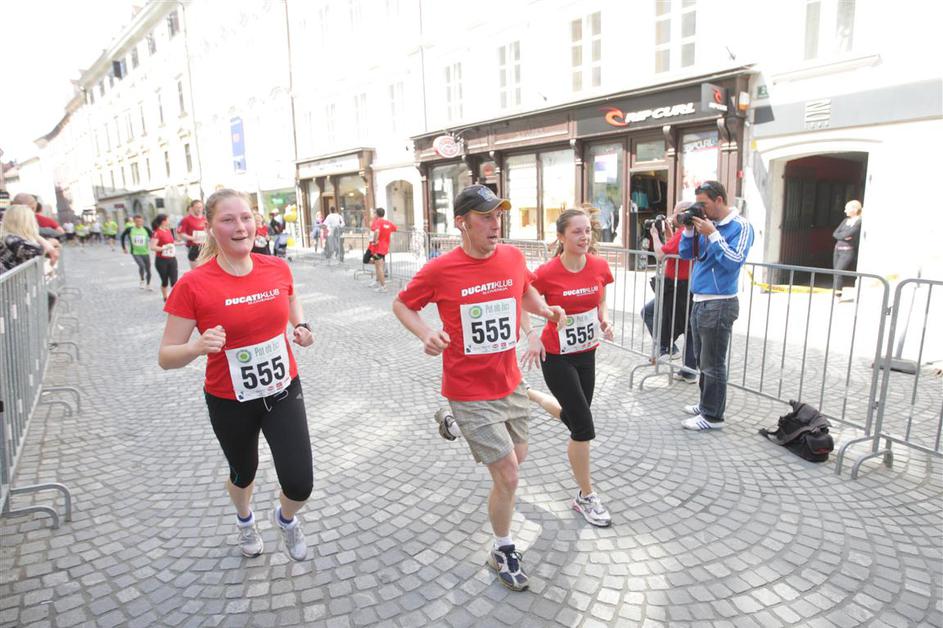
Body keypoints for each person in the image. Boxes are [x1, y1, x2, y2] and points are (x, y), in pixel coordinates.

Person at [393, 184, 565, 592]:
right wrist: (426, 333)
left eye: (498, 215)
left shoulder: (512, 257)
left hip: (509, 382)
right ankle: (503, 548)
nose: (495, 224)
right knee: (509, 475)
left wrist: (543, 309)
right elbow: (402, 304)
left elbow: (523, 289)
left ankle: (455, 425)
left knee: (518, 458)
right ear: (462, 223)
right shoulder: (440, 269)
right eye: (485, 217)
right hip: (468, 388)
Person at [157, 188, 315, 561]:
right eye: (228, 220)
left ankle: (285, 519)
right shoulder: (194, 284)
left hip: (282, 389)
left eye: (246, 217)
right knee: (244, 472)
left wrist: (300, 325)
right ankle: (245, 518)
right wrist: (196, 347)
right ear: (211, 228)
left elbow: (290, 296)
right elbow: (166, 356)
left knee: (300, 483)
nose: (241, 227)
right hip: (230, 400)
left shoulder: (276, 267)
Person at [521, 208, 615, 527]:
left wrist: (604, 320)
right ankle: (586, 496)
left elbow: (600, 299)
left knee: (574, 417)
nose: (584, 236)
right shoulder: (546, 273)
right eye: (576, 231)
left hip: (587, 353)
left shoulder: (599, 266)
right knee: (583, 427)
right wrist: (532, 335)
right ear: (561, 237)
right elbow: (522, 300)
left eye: (587, 230)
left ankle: (530, 394)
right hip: (557, 356)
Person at [678, 181, 754, 431]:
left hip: (720, 303)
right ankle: (706, 404)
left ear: (719, 200)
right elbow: (686, 255)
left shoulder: (741, 226)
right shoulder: (707, 223)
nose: (701, 208)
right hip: (700, 300)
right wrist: (689, 231)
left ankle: (713, 416)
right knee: (703, 360)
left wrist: (713, 234)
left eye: (704, 203)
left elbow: (734, 261)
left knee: (713, 363)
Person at [644, 202, 698, 383]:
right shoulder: (687, 233)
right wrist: (668, 233)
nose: (672, 216)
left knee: (651, 313)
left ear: (684, 214)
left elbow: (661, 254)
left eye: (675, 212)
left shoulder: (684, 233)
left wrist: (654, 235)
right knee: (689, 327)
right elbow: (673, 248)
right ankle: (688, 370)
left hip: (678, 286)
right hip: (684, 285)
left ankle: (667, 348)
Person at [0, 205, 59, 273]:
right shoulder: (10, 239)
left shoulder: (9, 237)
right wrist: (51, 243)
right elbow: (37, 250)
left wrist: (35, 235)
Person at [832, 200, 862, 300]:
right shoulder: (845, 221)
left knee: (838, 271)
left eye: (847, 209)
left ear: (855, 209)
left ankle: (838, 296)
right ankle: (836, 293)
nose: (845, 211)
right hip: (837, 249)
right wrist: (843, 236)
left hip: (847, 251)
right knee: (835, 272)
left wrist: (843, 235)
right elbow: (835, 234)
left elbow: (850, 233)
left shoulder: (859, 221)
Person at [366, 207, 398, 293]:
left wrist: (375, 240)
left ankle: (383, 286)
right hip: (384, 248)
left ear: (377, 214)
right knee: (378, 266)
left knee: (379, 267)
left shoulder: (377, 222)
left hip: (378, 248)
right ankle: (379, 284)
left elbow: (376, 231)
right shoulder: (387, 222)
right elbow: (395, 228)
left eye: (374, 213)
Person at [150, 214, 180, 302]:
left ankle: (175, 299)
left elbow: (171, 243)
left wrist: (182, 243)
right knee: (165, 281)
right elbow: (152, 247)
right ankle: (165, 297)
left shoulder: (168, 230)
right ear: (163, 221)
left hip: (172, 258)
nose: (169, 221)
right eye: (168, 220)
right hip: (161, 260)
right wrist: (164, 248)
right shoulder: (157, 232)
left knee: (174, 281)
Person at [121, 215, 153, 289]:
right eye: (137, 221)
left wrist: (155, 245)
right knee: (142, 266)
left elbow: (153, 237)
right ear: (134, 222)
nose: (139, 223)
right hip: (135, 252)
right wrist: (124, 248)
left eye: (140, 221)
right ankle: (142, 280)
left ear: (143, 221)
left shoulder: (146, 229)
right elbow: (122, 236)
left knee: (148, 269)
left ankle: (148, 284)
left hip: (145, 252)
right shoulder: (130, 229)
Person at [177, 199, 207, 269]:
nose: (199, 209)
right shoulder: (186, 220)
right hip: (193, 247)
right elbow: (181, 233)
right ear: (192, 208)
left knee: (207, 268)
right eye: (197, 207)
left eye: (200, 207)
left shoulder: (204, 219)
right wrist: (192, 238)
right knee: (196, 270)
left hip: (205, 246)